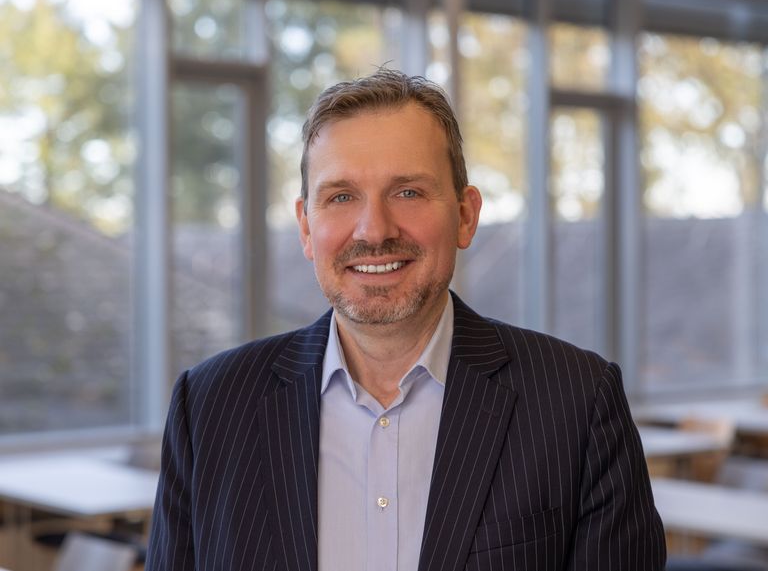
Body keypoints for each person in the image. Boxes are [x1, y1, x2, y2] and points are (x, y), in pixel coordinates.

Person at [146, 68, 666, 571]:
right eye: (341, 196)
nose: (374, 230)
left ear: (465, 215)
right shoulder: (209, 407)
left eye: (408, 192)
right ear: (306, 226)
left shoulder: (578, 401)